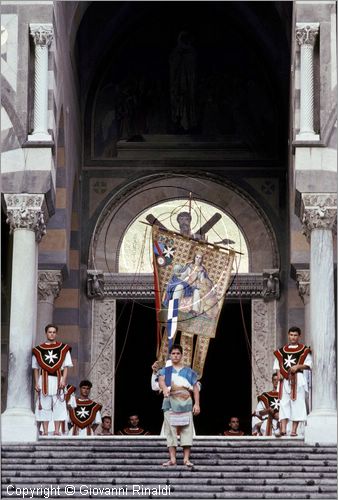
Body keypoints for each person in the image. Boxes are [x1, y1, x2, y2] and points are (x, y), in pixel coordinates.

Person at [158, 344, 200, 467]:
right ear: (170, 355)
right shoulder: (166, 370)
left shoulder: (188, 371)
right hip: (169, 401)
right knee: (171, 431)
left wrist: (197, 404)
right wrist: (165, 388)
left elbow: (195, 388)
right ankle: (172, 459)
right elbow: (161, 380)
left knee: (186, 430)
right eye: (173, 353)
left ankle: (186, 459)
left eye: (178, 353)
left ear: (181, 355)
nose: (175, 355)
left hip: (185, 401)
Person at [32, 324, 73, 436]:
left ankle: (56, 430)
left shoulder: (63, 348)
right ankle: (45, 431)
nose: (52, 334)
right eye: (50, 332)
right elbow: (35, 368)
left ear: (56, 333)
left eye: (54, 332)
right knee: (44, 405)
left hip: (58, 378)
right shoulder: (39, 350)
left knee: (58, 404)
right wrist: (36, 383)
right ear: (46, 333)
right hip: (44, 379)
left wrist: (63, 380)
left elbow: (66, 366)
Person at [273, 326, 312, 437]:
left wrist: (298, 366)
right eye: (291, 335)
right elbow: (277, 365)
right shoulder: (281, 351)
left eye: (295, 335)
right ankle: (283, 429)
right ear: (288, 335)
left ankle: (294, 430)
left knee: (297, 403)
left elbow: (309, 365)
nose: (293, 337)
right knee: (284, 403)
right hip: (284, 380)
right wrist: (279, 374)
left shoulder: (304, 350)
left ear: (299, 336)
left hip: (298, 379)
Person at [163, 251, 210, 315]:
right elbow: (184, 275)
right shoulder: (189, 266)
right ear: (194, 258)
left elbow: (202, 281)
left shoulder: (202, 270)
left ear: (201, 260)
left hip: (194, 286)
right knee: (179, 286)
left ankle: (195, 311)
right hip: (186, 285)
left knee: (197, 292)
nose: (198, 259)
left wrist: (198, 284)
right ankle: (174, 306)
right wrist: (178, 275)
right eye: (197, 257)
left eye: (200, 258)